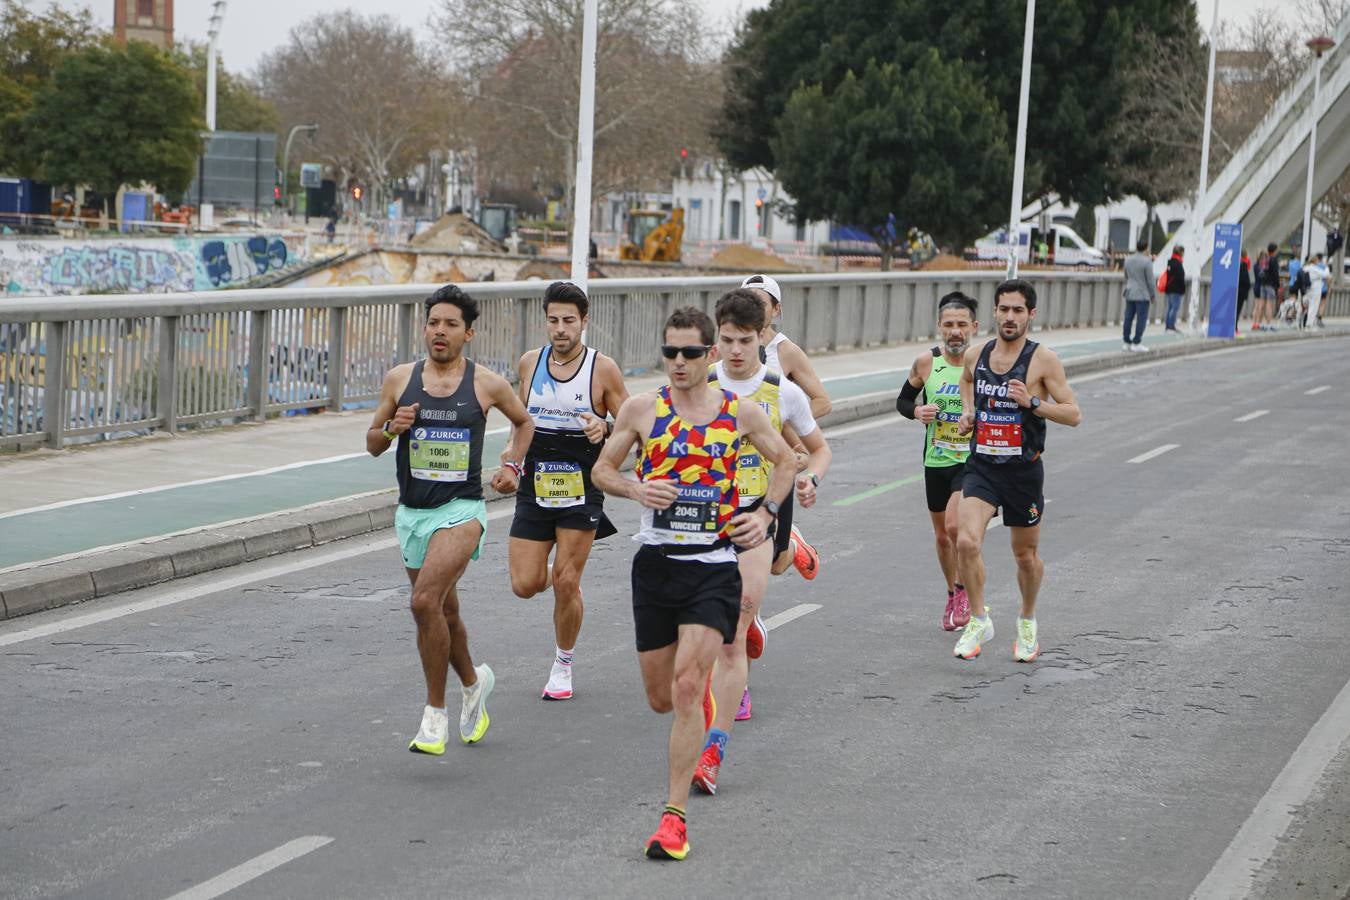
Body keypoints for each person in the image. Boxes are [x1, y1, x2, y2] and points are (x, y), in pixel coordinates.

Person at [591, 306, 794, 861]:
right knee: (662, 698)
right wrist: (634, 490)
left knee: (685, 688)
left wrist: (767, 514)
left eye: (689, 353)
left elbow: (787, 461)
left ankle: (673, 818)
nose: (678, 363)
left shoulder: (742, 413)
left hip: (713, 566)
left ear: (710, 356)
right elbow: (602, 472)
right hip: (656, 567)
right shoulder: (642, 409)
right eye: (669, 352)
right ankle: (693, 694)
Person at [367, 284, 535, 755]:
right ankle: (473, 681)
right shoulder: (400, 379)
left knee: (423, 603)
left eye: (451, 325)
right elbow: (372, 442)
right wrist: (390, 428)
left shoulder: (486, 383)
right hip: (413, 514)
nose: (440, 332)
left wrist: (511, 466)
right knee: (445, 610)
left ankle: (433, 716)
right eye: (433, 323)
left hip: (462, 511)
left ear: (469, 333)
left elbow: (525, 423)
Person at [694, 289, 831, 793]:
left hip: (757, 514)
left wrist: (809, 479)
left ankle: (713, 750)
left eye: (744, 341)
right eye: (725, 340)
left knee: (736, 623)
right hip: (702, 519)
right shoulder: (697, 384)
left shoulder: (781, 392)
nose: (733, 350)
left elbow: (818, 451)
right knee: (702, 633)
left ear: (761, 340)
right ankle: (789, 552)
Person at [508, 281, 629, 700]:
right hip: (535, 481)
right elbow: (520, 423)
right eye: (554, 320)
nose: (561, 329)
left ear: (585, 321)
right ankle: (566, 583)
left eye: (569, 321)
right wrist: (511, 461)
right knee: (524, 584)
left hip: (582, 482)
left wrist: (606, 427)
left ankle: (563, 663)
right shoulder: (529, 363)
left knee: (564, 579)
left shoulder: (603, 369)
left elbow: (634, 428)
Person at [952, 279, 1083, 662]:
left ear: (1031, 315)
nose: (1010, 317)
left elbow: (1074, 413)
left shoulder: (1043, 360)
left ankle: (1027, 620)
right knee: (965, 540)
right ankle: (979, 619)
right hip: (982, 466)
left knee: (1024, 556)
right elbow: (966, 381)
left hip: (1023, 471)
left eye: (1018, 311)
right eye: (1004, 309)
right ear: (994, 312)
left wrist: (1034, 402)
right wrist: (968, 411)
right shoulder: (976, 355)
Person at [740, 273, 830, 581]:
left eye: (761, 303)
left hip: (774, 462)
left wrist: (784, 425)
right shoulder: (730, 346)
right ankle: (744, 618)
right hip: (733, 462)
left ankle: (791, 544)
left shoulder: (785, 351)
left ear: (776, 310)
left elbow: (821, 401)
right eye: (747, 300)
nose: (753, 308)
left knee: (776, 562)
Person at [897, 292, 977, 631]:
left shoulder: (982, 362)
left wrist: (976, 419)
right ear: (939, 327)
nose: (955, 331)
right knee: (943, 536)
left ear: (974, 326)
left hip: (973, 461)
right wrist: (917, 411)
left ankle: (965, 590)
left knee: (957, 529)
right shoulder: (926, 363)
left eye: (962, 325)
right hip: (937, 459)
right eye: (949, 325)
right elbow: (902, 400)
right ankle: (952, 593)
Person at [1121, 238, 1154, 351]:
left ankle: (1126, 342)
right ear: (1146, 248)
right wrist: (1153, 295)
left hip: (1130, 292)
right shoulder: (1147, 261)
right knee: (1141, 319)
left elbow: (1126, 276)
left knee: (1128, 318)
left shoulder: (1128, 259)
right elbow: (1150, 281)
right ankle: (1136, 342)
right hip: (1142, 294)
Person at [1163, 245, 1186, 332]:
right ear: (1181, 253)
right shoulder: (1178, 263)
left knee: (1170, 308)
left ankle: (1168, 326)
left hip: (1169, 288)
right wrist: (1183, 289)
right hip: (1176, 289)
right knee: (1174, 308)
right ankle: (1171, 326)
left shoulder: (1170, 262)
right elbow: (1180, 277)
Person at [1304, 253, 1329, 328]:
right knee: (1314, 306)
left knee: (1309, 306)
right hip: (1316, 289)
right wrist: (1326, 266)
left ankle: (1306, 322)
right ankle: (1309, 324)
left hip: (1308, 289)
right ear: (1315, 261)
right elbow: (1325, 274)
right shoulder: (1315, 268)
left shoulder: (1306, 268)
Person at [1236, 248, 1252, 334]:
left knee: (1236, 309)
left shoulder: (1239, 263)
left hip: (1239, 290)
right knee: (1237, 310)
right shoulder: (1244, 264)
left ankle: (1235, 327)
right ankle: (1235, 328)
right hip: (1241, 291)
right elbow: (1244, 279)